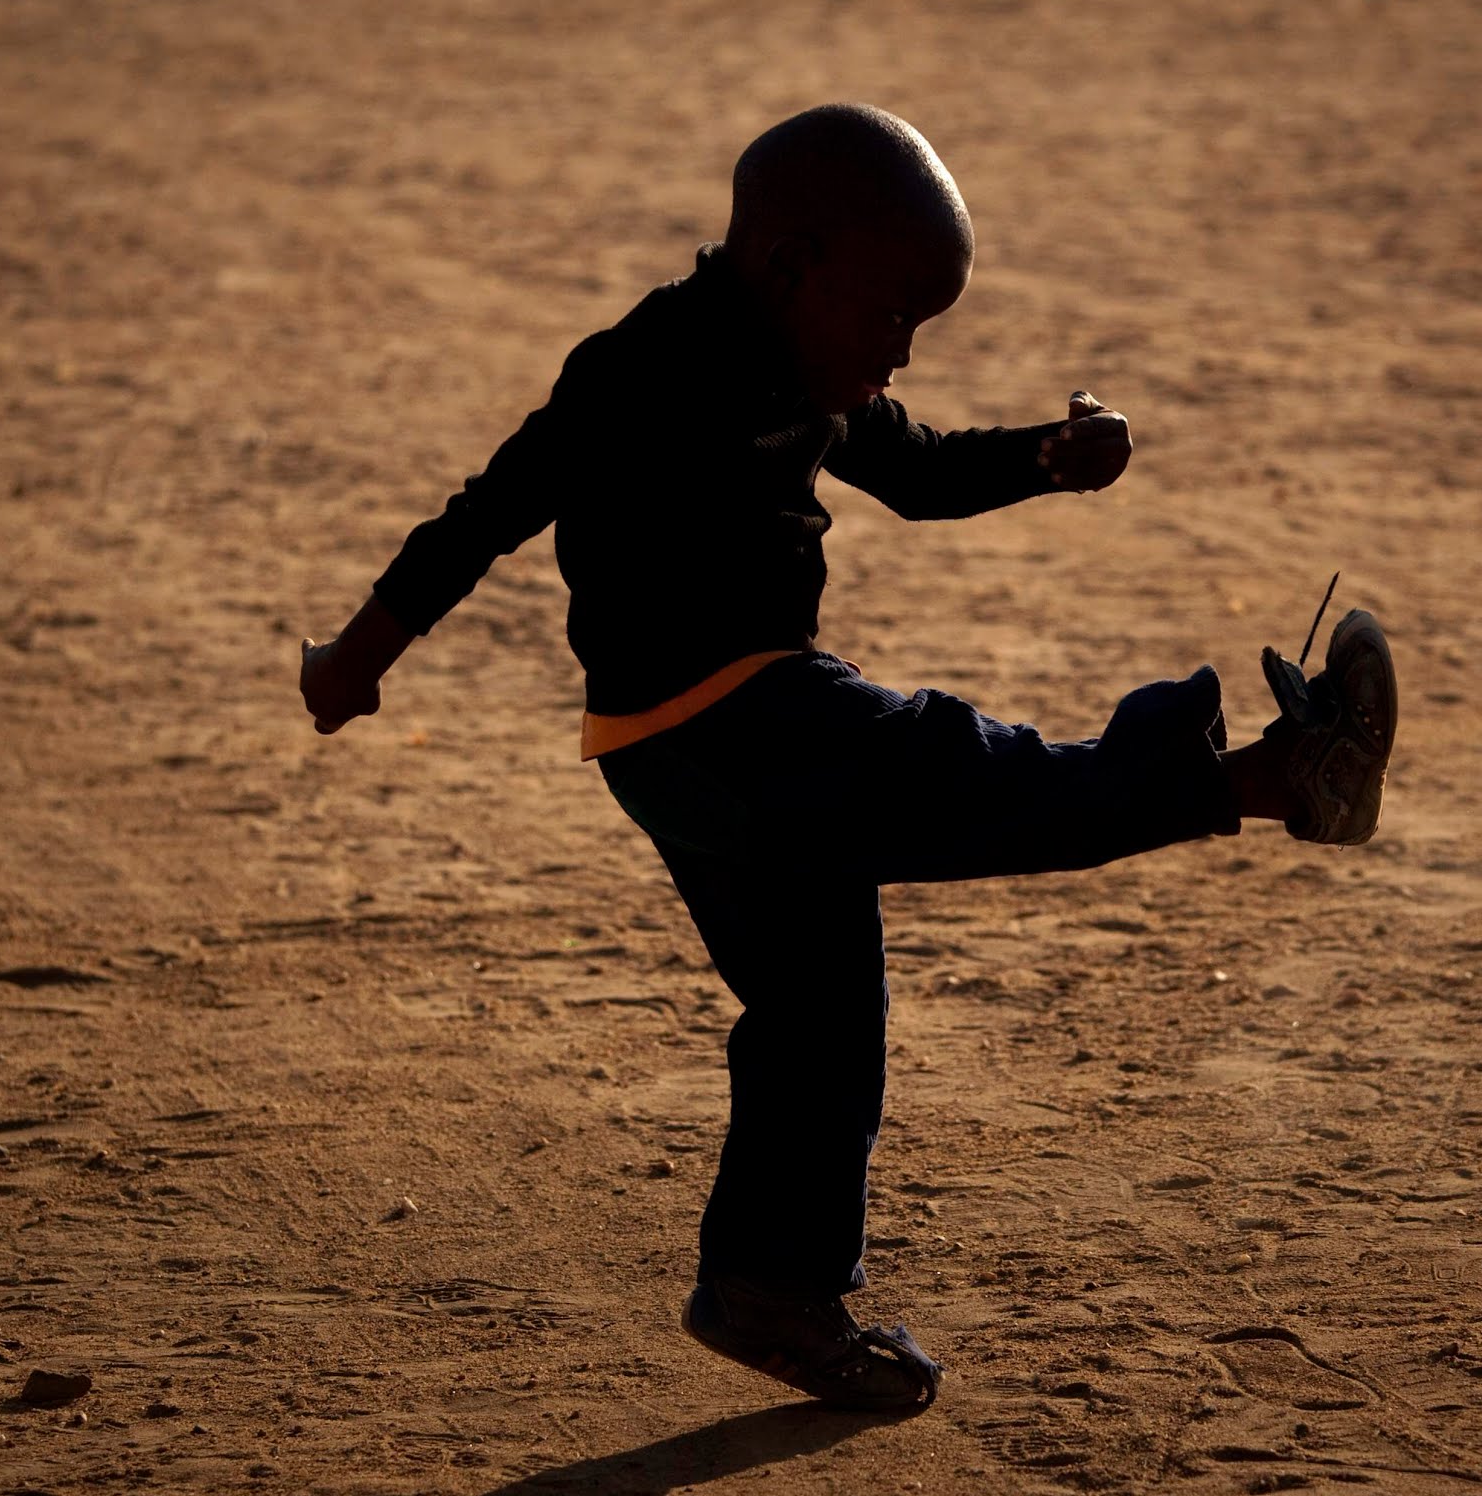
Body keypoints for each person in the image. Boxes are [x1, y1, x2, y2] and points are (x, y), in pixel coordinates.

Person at [299, 103, 1396, 1414]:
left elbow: (922, 475)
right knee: (971, 771)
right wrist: (352, 659)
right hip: (722, 719)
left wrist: (1050, 456)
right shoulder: (640, 367)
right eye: (891, 321)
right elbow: (482, 514)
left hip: (712, 741)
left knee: (823, 1023)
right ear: (786, 264)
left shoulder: (817, 366)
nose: (901, 356)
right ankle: (1269, 777)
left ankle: (767, 1287)